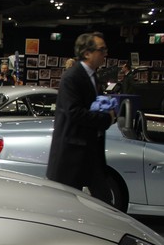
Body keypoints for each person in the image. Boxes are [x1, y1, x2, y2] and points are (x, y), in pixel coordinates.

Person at [46, 32, 116, 205]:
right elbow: (74, 112)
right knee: (67, 204)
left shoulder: (93, 76)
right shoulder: (72, 77)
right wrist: (106, 119)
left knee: (104, 201)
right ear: (87, 53)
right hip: (73, 154)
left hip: (90, 151)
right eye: (101, 49)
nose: (105, 53)